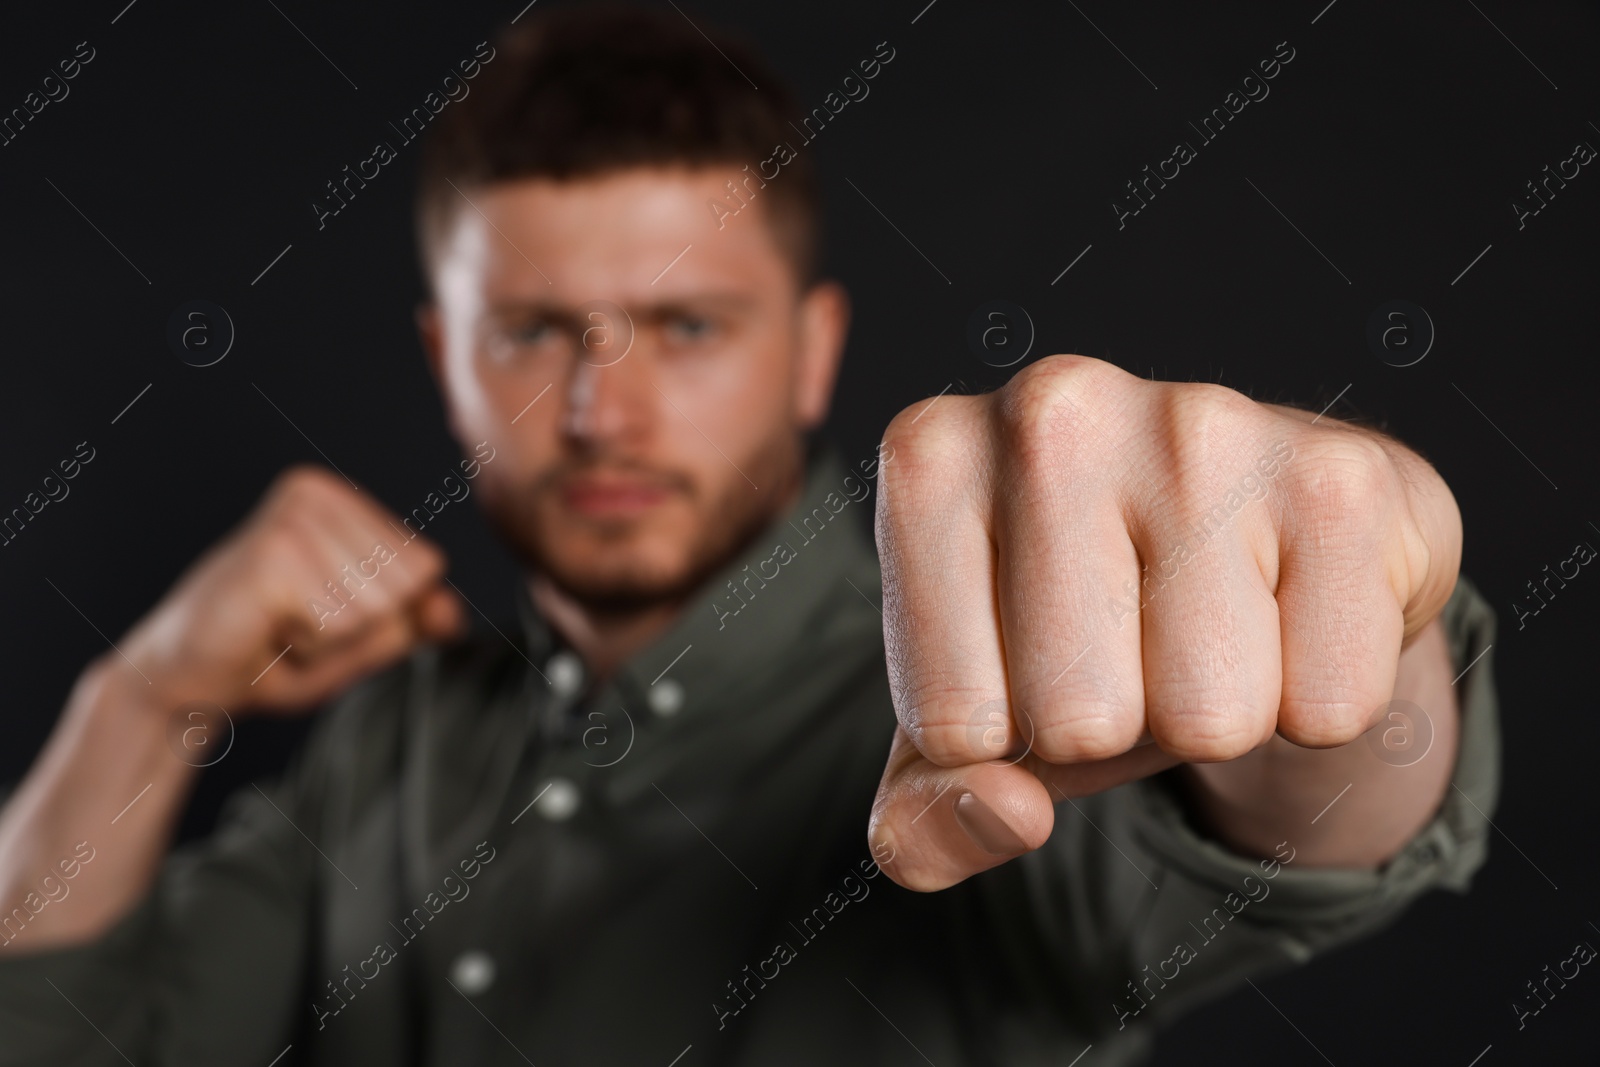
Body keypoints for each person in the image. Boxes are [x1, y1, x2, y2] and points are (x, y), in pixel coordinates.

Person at [0, 6, 1499, 1065]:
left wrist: (1360, 588)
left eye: (686, 325)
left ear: (808, 351)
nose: (601, 409)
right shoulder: (382, 742)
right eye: (530, 330)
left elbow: (1312, 826)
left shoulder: (993, 700)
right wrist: (140, 701)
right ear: (442, 356)